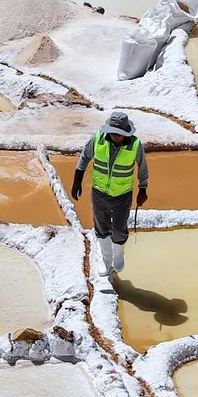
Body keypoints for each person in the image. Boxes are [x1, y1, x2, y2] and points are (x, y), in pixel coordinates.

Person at [69, 109, 148, 276]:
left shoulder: (135, 145)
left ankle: (118, 255)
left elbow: (142, 168)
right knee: (101, 226)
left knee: (119, 227)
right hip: (99, 192)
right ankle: (106, 259)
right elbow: (84, 157)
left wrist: (143, 189)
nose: (115, 137)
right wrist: (77, 181)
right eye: (112, 133)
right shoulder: (98, 138)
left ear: (126, 132)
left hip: (123, 194)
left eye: (118, 134)